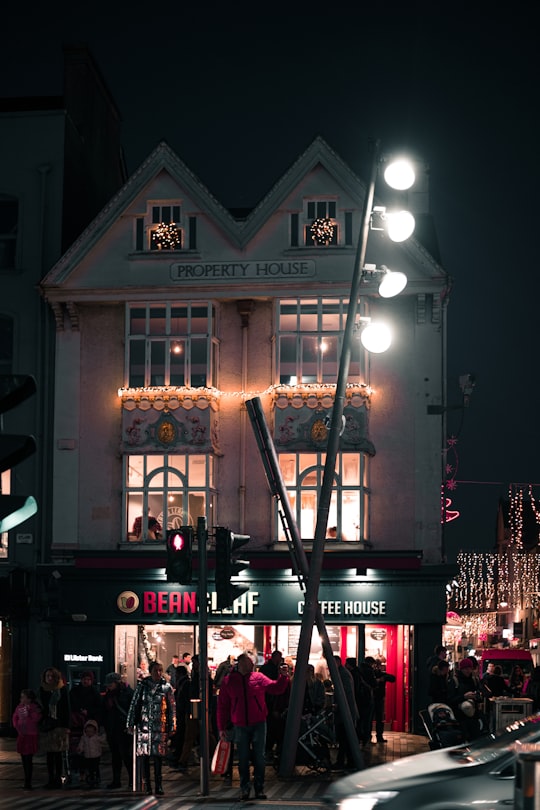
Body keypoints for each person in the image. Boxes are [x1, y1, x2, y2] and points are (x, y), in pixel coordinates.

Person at [217, 651, 290, 801]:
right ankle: (246, 788)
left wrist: (283, 677)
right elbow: (222, 706)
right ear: (241, 664)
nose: (252, 665)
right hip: (241, 724)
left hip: (258, 723)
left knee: (259, 758)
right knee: (244, 759)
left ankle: (258, 788)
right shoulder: (229, 681)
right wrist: (221, 727)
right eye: (249, 663)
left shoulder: (257, 678)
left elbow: (276, 688)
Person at [126, 660, 176, 796]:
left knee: (158, 757)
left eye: (160, 670)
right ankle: (147, 785)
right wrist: (130, 723)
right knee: (145, 757)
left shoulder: (166, 687)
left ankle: (159, 785)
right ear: (151, 671)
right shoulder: (142, 686)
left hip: (160, 727)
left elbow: (172, 708)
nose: (158, 673)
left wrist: (172, 725)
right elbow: (134, 704)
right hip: (144, 727)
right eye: (155, 670)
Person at [37, 666, 71, 789]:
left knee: (58, 754)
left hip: (59, 725)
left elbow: (66, 708)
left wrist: (67, 726)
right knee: (49, 754)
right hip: (48, 725)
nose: (49, 678)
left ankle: (58, 778)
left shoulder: (62, 689)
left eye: (52, 676)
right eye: (47, 676)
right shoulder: (42, 690)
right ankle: (51, 778)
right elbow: (41, 707)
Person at [101, 672, 134, 790]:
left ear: (117, 683)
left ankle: (132, 780)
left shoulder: (128, 693)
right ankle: (116, 780)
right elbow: (104, 711)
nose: (108, 687)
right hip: (112, 729)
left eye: (110, 684)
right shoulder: (109, 695)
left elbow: (133, 710)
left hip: (124, 729)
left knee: (126, 756)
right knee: (115, 756)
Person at [68, 670, 102, 784]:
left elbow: (99, 707)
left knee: (89, 748)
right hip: (77, 724)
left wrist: (89, 712)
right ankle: (81, 772)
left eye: (88, 679)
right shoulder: (75, 691)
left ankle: (90, 772)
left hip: (90, 724)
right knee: (78, 749)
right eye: (84, 679)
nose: (86, 681)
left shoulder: (94, 693)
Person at [259, 650, 290, 763]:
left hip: (270, 703)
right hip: (272, 703)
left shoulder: (265, 669)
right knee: (274, 729)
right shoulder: (271, 670)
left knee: (272, 729)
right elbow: (275, 689)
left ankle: (268, 750)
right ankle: (271, 750)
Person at [332, 655, 359, 771]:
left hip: (345, 712)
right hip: (346, 711)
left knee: (344, 738)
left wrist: (338, 705)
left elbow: (345, 693)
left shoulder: (342, 674)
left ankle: (344, 762)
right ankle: (346, 762)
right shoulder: (343, 673)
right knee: (345, 738)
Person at [447, 658, 485, 741]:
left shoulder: (474, 680)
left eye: (470, 668)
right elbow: (449, 700)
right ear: (461, 669)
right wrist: (464, 697)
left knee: (475, 740)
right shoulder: (454, 681)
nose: (468, 671)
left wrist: (477, 696)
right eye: (466, 669)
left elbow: (481, 696)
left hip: (473, 717)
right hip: (459, 718)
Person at [12, 688, 41, 790]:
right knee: (24, 759)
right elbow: (15, 717)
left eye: (23, 697)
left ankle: (28, 781)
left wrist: (29, 712)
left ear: (29, 699)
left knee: (28, 758)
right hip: (22, 734)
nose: (21, 699)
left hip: (30, 735)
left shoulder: (34, 708)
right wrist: (17, 726)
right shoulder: (19, 707)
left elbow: (35, 719)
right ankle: (26, 779)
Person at [372, 659, 396, 743]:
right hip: (375, 698)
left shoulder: (381, 674)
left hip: (378, 698)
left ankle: (378, 736)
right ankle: (377, 736)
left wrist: (384, 678)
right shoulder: (372, 674)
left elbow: (393, 678)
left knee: (378, 718)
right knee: (376, 718)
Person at [77, 718, 105, 787]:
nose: (89, 733)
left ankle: (97, 777)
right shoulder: (84, 738)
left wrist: (104, 735)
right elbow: (81, 744)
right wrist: (80, 749)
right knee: (90, 768)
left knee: (96, 767)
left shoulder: (96, 737)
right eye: (88, 732)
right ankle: (91, 777)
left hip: (96, 755)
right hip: (88, 755)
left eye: (91, 732)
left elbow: (102, 739)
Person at [358, 657, 377, 745]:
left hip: (359, 698)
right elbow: (374, 684)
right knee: (367, 720)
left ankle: (359, 737)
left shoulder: (358, 670)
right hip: (367, 697)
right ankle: (366, 738)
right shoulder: (369, 671)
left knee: (360, 719)